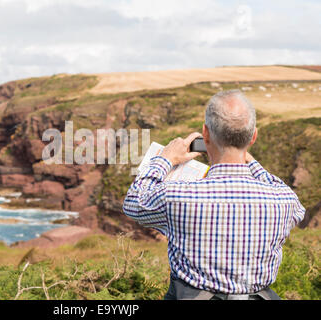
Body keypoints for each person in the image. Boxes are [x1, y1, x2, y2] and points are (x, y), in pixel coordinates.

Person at [123, 90, 306, 300]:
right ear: (253, 136)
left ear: (205, 134)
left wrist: (166, 159)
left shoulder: (177, 195)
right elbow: (295, 207)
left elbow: (133, 202)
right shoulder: (284, 199)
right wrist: (249, 160)